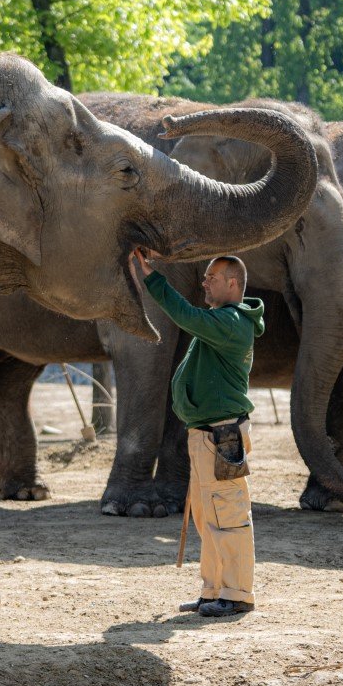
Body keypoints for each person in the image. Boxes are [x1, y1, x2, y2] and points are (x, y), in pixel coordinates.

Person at [133, 250, 261, 618]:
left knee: (228, 515)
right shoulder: (220, 322)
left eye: (212, 278)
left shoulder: (231, 322)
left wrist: (152, 278)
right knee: (208, 517)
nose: (204, 283)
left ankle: (237, 593)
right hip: (206, 435)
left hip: (222, 436)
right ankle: (214, 590)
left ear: (233, 283)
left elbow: (184, 315)